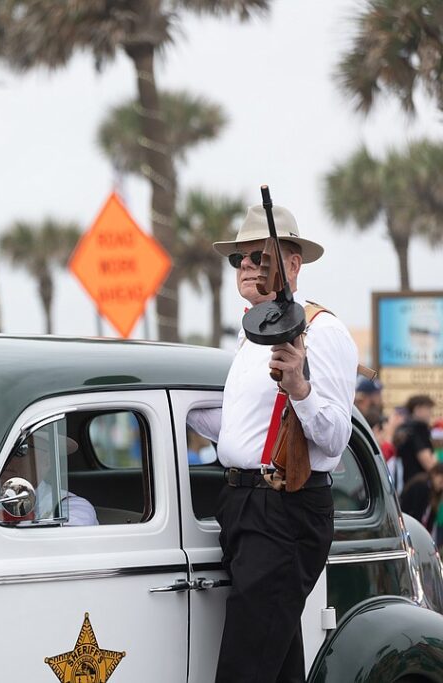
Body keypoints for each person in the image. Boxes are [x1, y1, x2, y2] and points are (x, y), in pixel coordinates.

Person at [187, 204, 357, 683]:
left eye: (260, 258)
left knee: (246, 667)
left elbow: (335, 437)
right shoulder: (252, 336)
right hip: (242, 505)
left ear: (294, 265)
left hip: (285, 507)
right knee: (274, 662)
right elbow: (239, 426)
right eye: (239, 259)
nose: (246, 266)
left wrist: (299, 386)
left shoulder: (323, 331)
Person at [396, 395, 436, 489]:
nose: (430, 413)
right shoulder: (418, 428)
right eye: (428, 409)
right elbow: (428, 463)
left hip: (404, 485)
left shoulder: (403, 428)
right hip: (418, 486)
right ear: (418, 409)